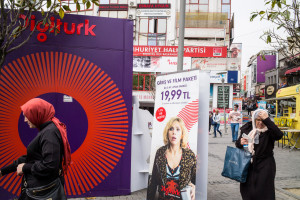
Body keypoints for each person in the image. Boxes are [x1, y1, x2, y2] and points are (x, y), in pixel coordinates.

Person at [0, 98, 71, 199]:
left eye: (27, 116)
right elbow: (32, 158)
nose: (25, 120)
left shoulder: (49, 133)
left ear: (37, 113)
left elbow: (50, 165)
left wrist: (25, 168)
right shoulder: (47, 130)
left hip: (42, 193)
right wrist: (3, 171)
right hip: (39, 191)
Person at [235, 109, 283, 200]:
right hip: (248, 163)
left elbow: (279, 135)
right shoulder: (248, 128)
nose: (260, 123)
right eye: (258, 120)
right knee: (247, 190)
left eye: (262, 120)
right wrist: (240, 142)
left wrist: (267, 120)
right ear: (253, 120)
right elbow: (238, 144)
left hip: (265, 164)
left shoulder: (270, 130)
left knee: (264, 190)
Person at [147, 117, 196, 200]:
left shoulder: (189, 155)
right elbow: (153, 182)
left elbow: (197, 180)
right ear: (167, 133)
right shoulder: (160, 153)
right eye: (171, 129)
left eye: (178, 129)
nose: (174, 132)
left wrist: (195, 187)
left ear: (182, 134)